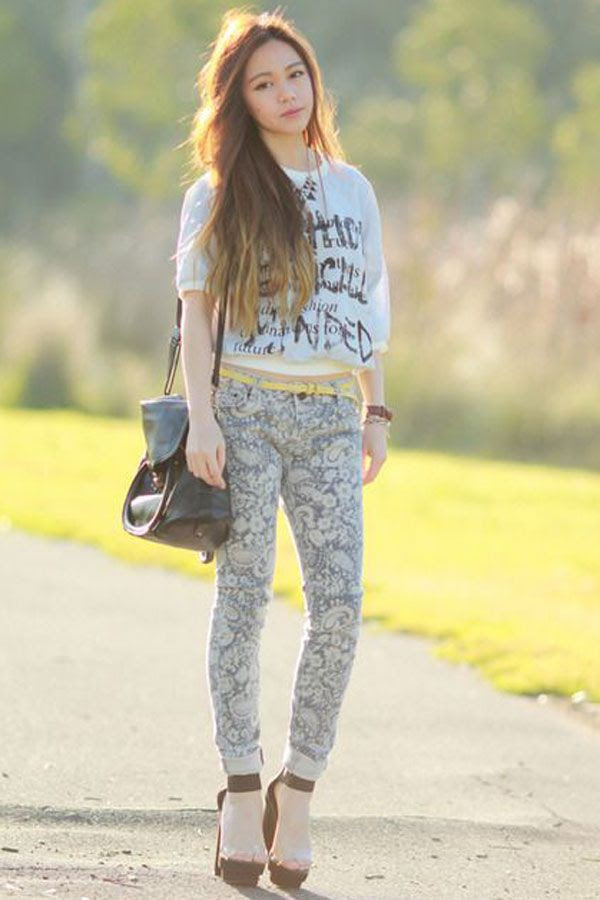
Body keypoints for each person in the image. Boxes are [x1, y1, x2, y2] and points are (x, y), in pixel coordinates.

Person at [173, 7, 393, 889]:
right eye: (263, 83)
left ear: (313, 80)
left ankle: (295, 789)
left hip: (332, 415)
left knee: (339, 603)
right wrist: (203, 419)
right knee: (244, 596)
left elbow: (366, 307)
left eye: (294, 75)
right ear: (241, 100)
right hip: (248, 409)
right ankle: (238, 786)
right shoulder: (217, 193)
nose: (285, 93)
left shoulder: (352, 188)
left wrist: (376, 409)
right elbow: (197, 317)